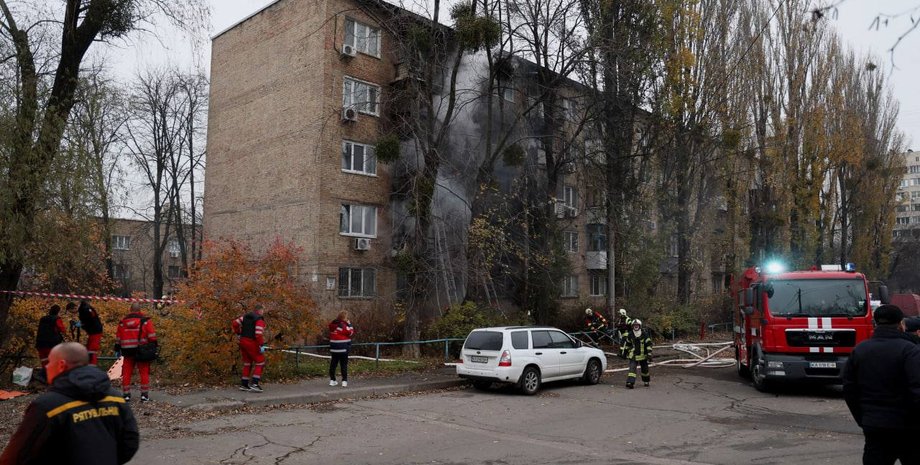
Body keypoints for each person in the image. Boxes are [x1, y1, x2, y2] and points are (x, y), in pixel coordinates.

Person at [0, 342, 139, 465]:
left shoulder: (48, 406)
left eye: (49, 362)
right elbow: (130, 441)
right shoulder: (115, 398)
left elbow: (17, 455)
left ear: (61, 365)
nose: (46, 367)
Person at [843, 304, 920, 465]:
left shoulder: (859, 350)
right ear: (901, 325)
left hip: (874, 425)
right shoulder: (910, 351)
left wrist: (863, 418)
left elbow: (850, 390)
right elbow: (917, 389)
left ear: (875, 324)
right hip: (908, 428)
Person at [115, 303, 157, 402]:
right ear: (139, 310)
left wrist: (117, 348)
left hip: (127, 351)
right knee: (144, 372)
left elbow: (118, 338)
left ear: (130, 310)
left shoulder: (122, 322)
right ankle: (144, 395)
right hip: (141, 351)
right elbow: (152, 337)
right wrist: (153, 346)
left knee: (126, 373)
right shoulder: (145, 321)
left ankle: (126, 395)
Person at [232, 304, 266, 392]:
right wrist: (261, 345)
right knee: (260, 362)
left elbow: (235, 323)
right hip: (252, 342)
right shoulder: (259, 319)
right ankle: (255, 383)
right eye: (263, 311)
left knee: (247, 363)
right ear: (260, 310)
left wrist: (238, 333)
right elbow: (258, 334)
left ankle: (244, 384)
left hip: (243, 341)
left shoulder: (245, 317)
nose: (263, 312)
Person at [622, 319, 653, 389]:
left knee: (645, 370)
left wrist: (649, 354)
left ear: (639, 326)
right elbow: (628, 344)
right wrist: (624, 353)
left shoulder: (644, 334)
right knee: (632, 369)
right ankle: (630, 383)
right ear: (632, 326)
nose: (636, 326)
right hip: (633, 355)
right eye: (634, 325)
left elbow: (649, 344)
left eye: (637, 325)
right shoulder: (630, 334)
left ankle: (646, 381)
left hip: (643, 355)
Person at [328, 311, 354, 387]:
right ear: (344, 318)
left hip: (334, 348)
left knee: (333, 364)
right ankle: (344, 381)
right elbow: (351, 332)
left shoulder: (332, 325)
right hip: (343, 348)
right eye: (346, 317)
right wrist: (349, 324)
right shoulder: (343, 325)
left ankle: (332, 380)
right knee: (343, 365)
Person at [77, 300, 104, 365]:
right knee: (89, 349)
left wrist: (83, 324)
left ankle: (92, 366)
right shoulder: (86, 309)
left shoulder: (85, 310)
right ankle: (89, 365)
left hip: (95, 331)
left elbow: (89, 320)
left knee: (92, 350)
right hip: (93, 331)